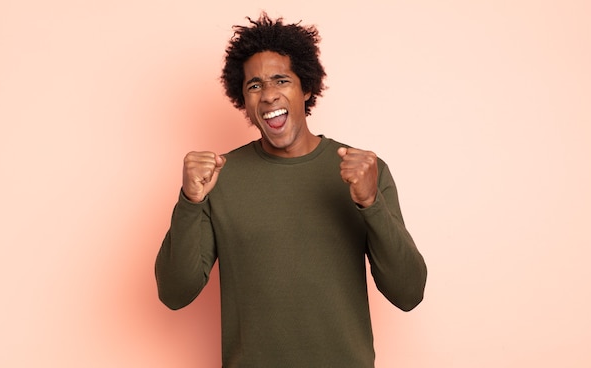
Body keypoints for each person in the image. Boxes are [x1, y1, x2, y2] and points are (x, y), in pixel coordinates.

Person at [155, 12, 427, 367]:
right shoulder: (219, 180)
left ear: (307, 88)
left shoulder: (364, 173)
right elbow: (175, 293)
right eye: (254, 86)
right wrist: (191, 201)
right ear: (244, 102)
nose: (268, 95)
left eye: (281, 80)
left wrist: (370, 202)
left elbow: (408, 292)